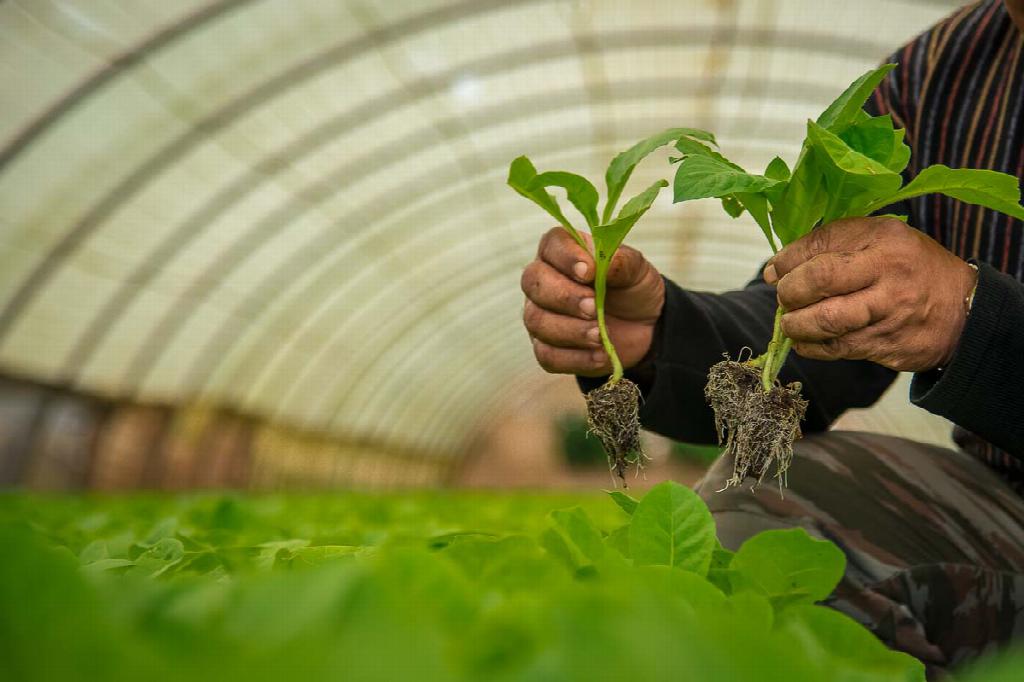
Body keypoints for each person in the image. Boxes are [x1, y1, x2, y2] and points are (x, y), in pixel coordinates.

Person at [520, 0, 1024, 676]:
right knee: (767, 513)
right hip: (1005, 506)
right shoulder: (943, 72)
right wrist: (663, 335)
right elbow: (821, 324)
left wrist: (973, 319)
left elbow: (966, 314)